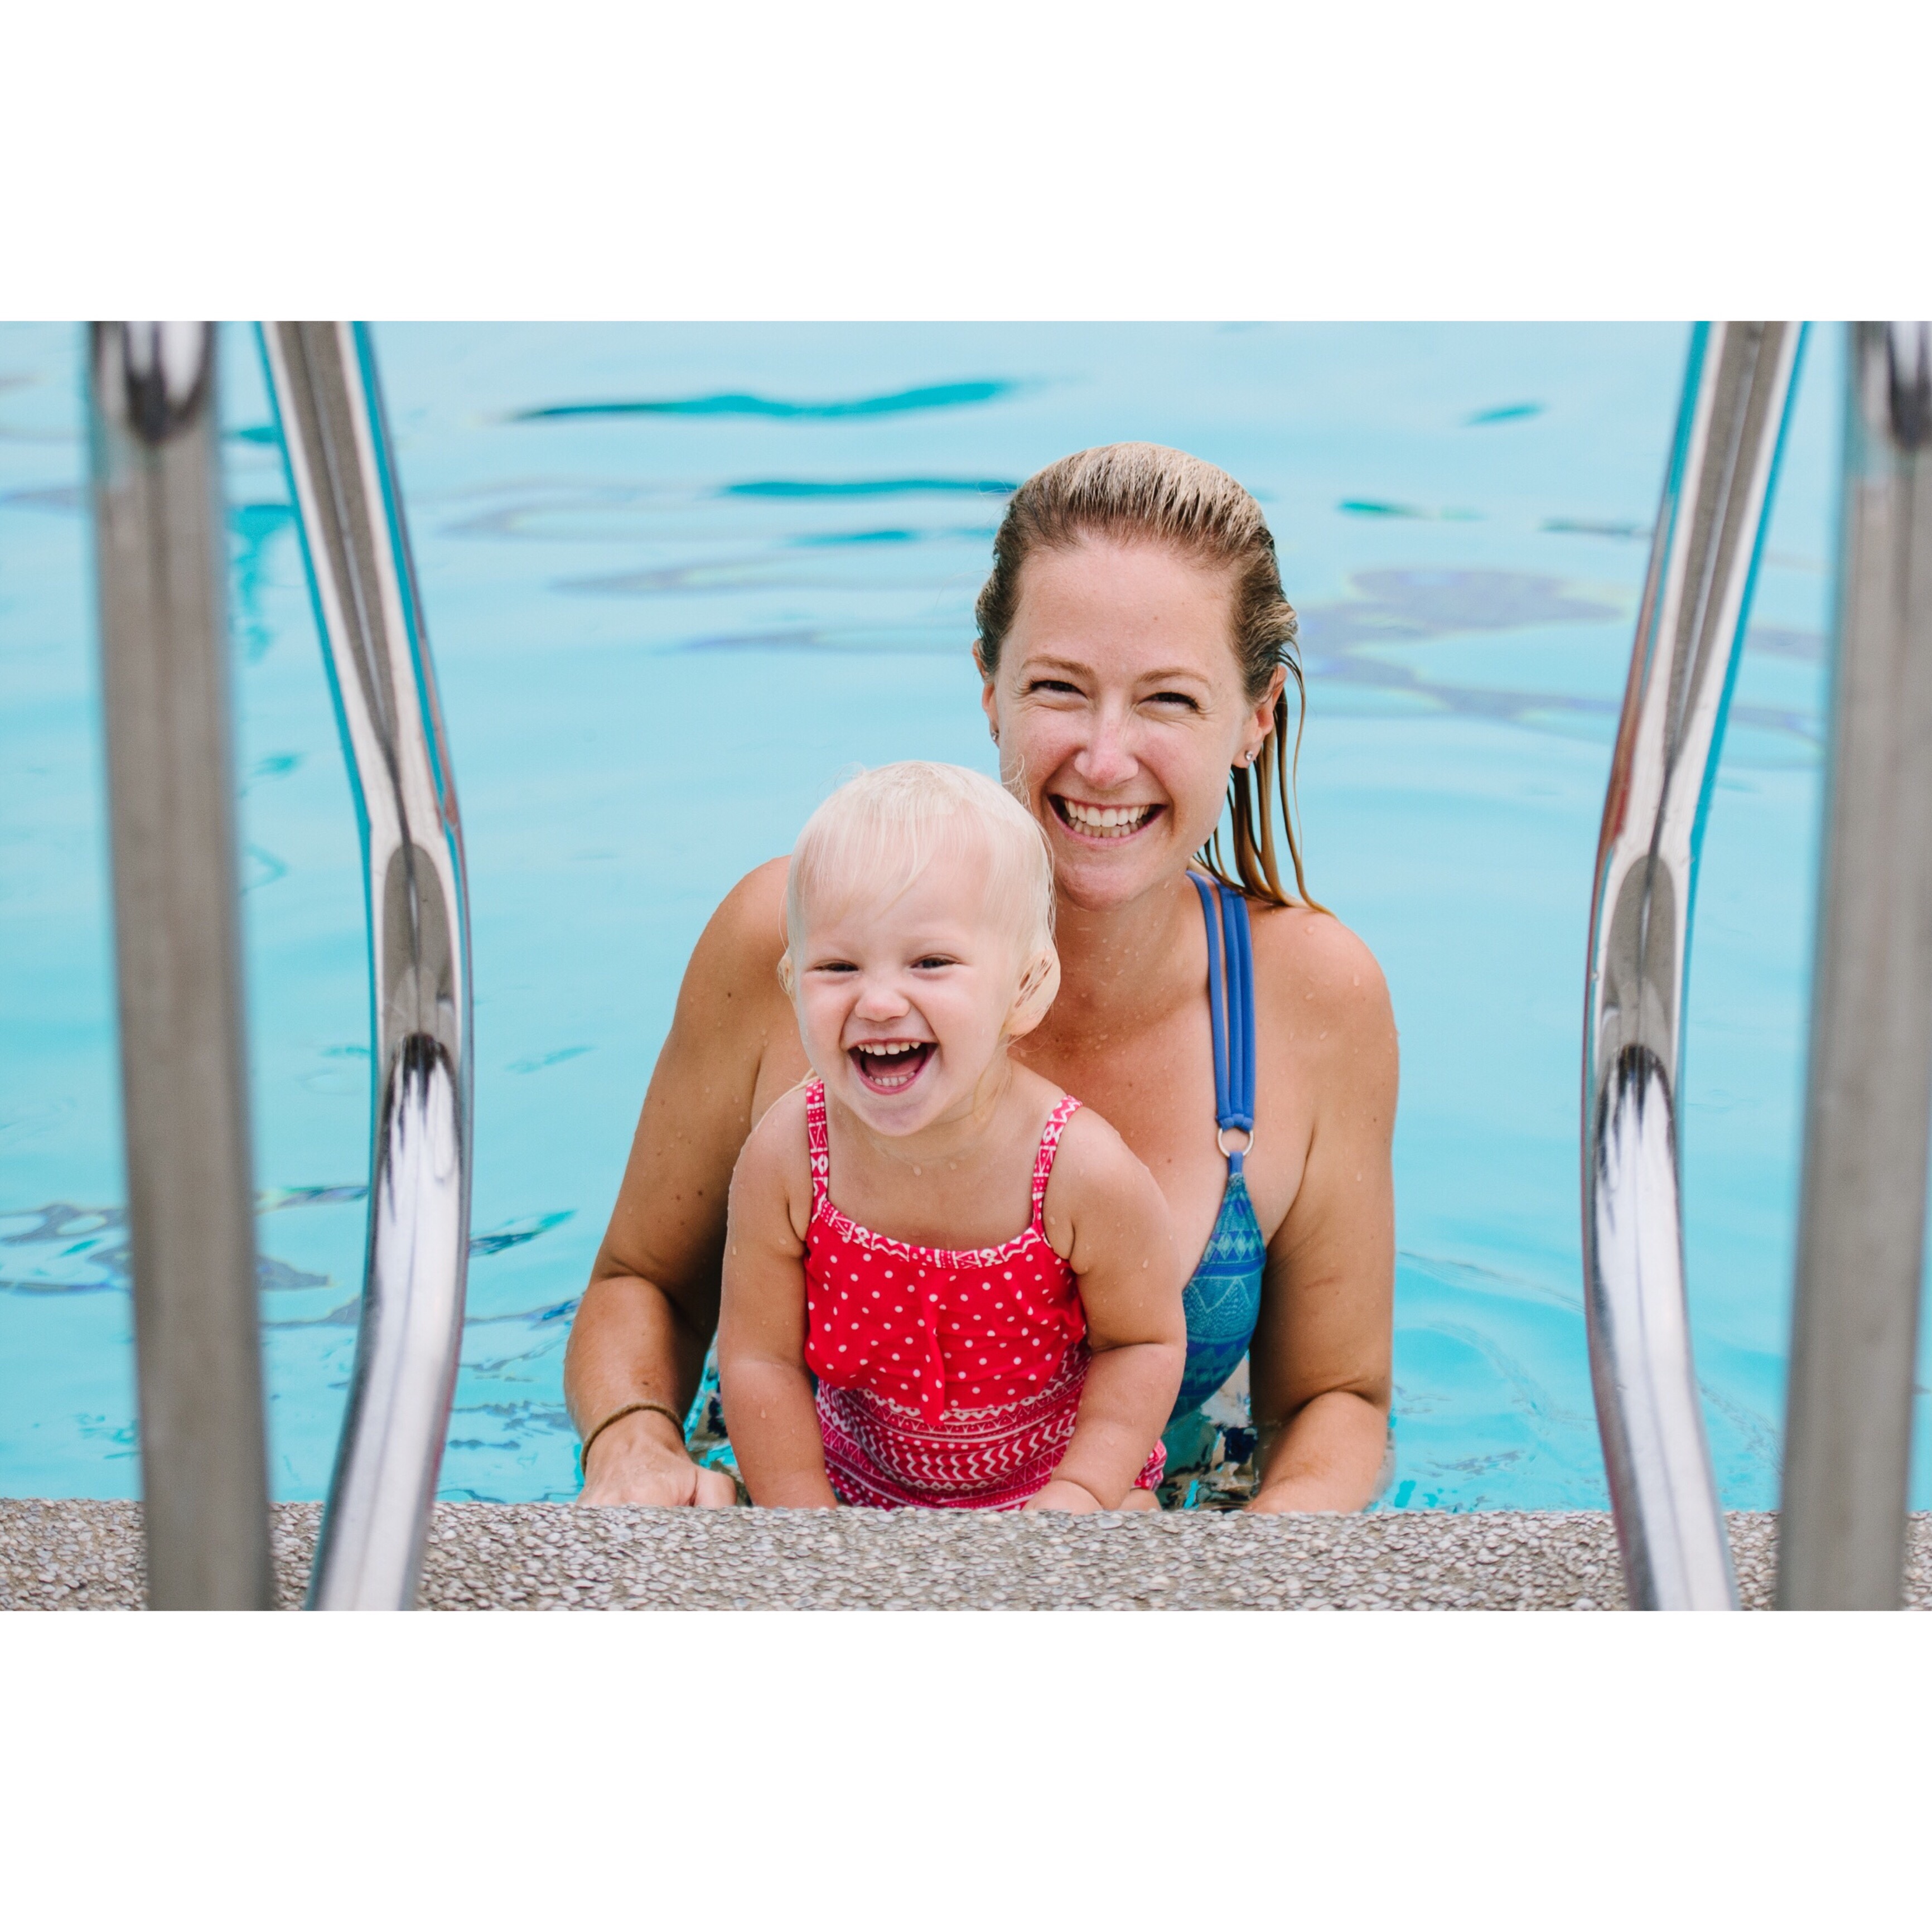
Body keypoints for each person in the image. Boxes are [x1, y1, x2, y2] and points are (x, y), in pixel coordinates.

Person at [567, 442, 1397, 1513]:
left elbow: (1334, 1397)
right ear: (989, 689)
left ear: (1256, 718)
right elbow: (641, 1284)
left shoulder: (1312, 1000)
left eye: (1168, 702)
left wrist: (1238, 1583)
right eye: (1059, 688)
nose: (1105, 758)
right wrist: (634, 1446)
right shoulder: (789, 944)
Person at [718, 761, 1185, 1511]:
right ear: (790, 983)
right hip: (851, 1485)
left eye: (931, 963)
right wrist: (804, 1517)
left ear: (1027, 989)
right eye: (836, 966)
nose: (876, 1001)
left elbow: (1143, 1344)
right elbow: (758, 1358)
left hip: (1052, 1486)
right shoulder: (790, 1157)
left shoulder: (1075, 1169)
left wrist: (1084, 1491)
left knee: (1132, 1532)